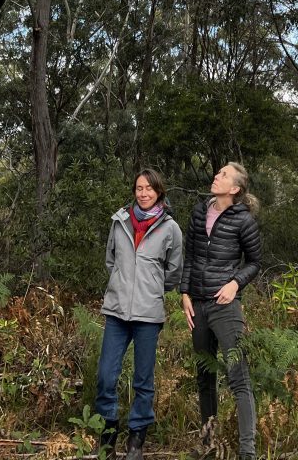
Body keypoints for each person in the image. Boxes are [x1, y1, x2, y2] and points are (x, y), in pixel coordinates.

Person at [95, 168, 183, 460]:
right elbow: (111, 261)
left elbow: (173, 273)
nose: (143, 193)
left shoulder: (170, 228)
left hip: (148, 314)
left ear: (159, 191)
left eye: (149, 188)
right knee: (106, 376)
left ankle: (136, 440)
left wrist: (151, 288)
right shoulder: (119, 221)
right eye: (139, 188)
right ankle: (107, 434)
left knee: (143, 380)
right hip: (117, 311)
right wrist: (124, 283)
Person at [180, 162, 262, 460]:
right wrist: (184, 292)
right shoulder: (199, 212)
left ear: (235, 188)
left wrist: (234, 284)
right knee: (204, 376)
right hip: (197, 305)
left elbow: (254, 261)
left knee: (238, 377)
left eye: (224, 175)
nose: (217, 175)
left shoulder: (244, 221)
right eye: (219, 173)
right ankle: (209, 444)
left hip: (225, 306)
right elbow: (189, 256)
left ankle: (246, 452)